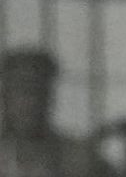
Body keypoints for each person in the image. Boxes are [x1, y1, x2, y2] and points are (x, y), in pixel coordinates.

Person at [0, 48, 116, 177]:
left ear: (50, 95)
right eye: (22, 89)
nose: (32, 101)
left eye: (39, 90)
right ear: (5, 94)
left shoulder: (79, 158)